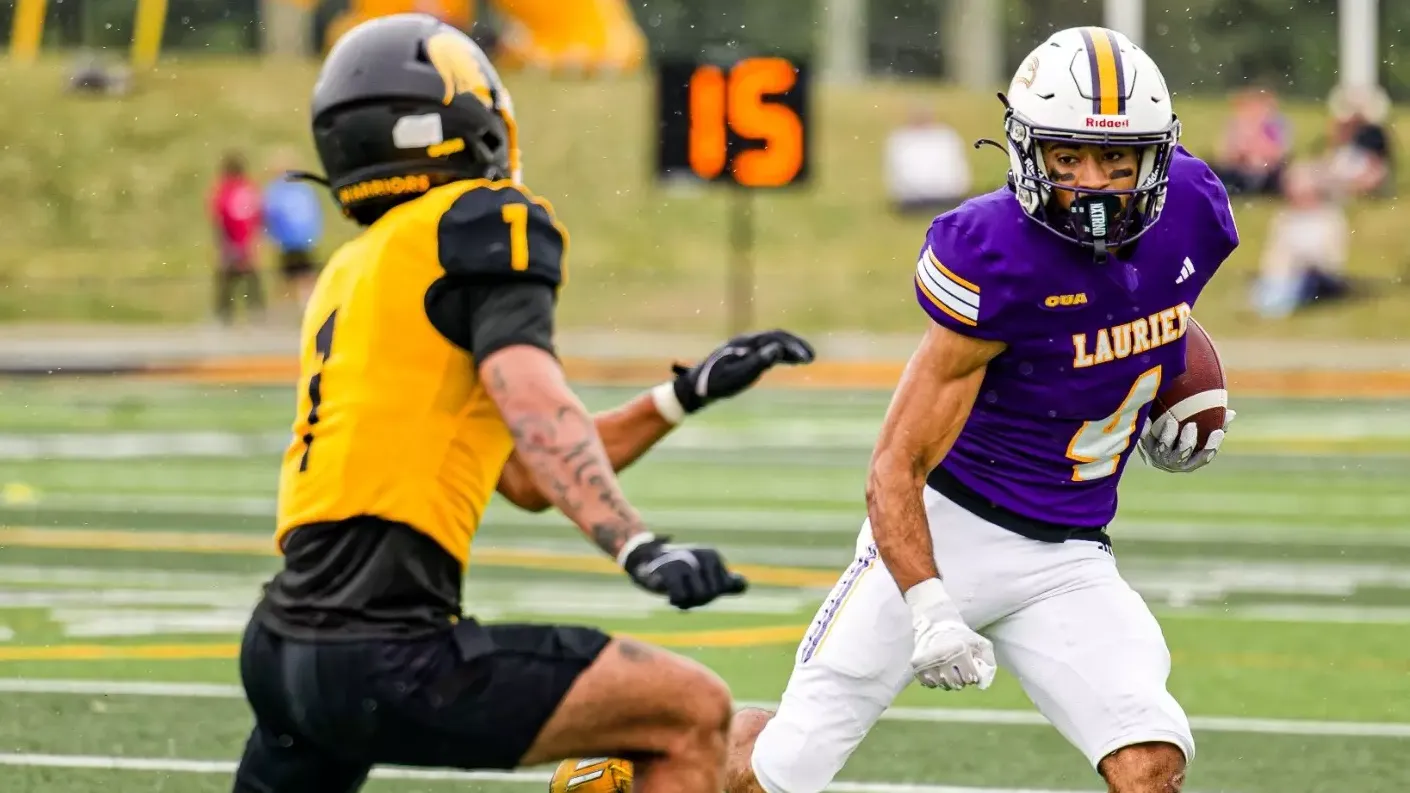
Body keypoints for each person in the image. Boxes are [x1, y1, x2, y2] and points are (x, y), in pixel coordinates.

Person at [635, 26, 1237, 793]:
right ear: (1028, 152)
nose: (1093, 182)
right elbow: (896, 462)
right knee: (778, 774)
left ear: (1155, 158)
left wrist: (1173, 385)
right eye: (1067, 158)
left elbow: (1161, 302)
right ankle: (649, 767)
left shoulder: (1191, 208)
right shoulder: (995, 254)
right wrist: (930, 607)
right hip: (946, 523)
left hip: (1071, 552)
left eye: (1117, 160)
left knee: (1149, 759)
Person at [230, 14, 815, 793]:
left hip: (281, 646)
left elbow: (529, 473)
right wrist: (635, 544)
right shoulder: (480, 218)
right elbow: (532, 395)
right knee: (691, 710)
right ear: (467, 119)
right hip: (384, 644)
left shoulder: (357, 269)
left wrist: (681, 395)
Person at [262, 149, 325, 311]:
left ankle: (295, 310)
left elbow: (269, 215)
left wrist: (270, 236)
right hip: (299, 241)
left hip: (291, 242)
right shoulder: (302, 190)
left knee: (292, 280)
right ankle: (301, 310)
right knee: (300, 278)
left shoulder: (276, 190)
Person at [210, 151, 266, 325]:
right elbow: (257, 217)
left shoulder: (224, 190)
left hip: (232, 243)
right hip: (247, 242)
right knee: (251, 281)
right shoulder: (249, 189)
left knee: (227, 282)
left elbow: (219, 219)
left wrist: (224, 246)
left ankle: (224, 317)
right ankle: (257, 315)